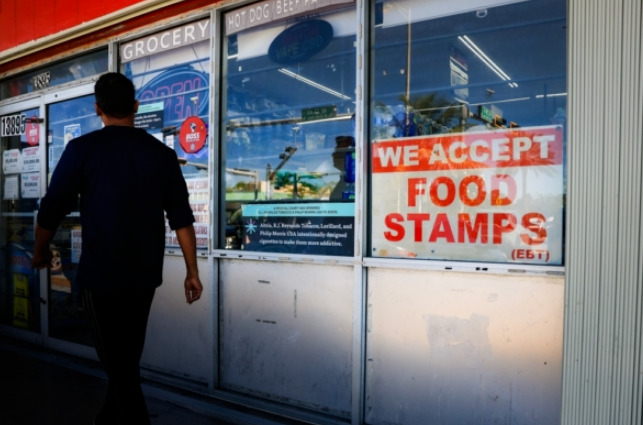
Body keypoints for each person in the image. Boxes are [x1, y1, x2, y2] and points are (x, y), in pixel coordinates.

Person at [32, 72, 203, 425]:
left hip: (101, 281)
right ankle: (108, 419)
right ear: (135, 106)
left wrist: (40, 250)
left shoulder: (82, 149)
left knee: (121, 370)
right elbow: (181, 217)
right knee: (124, 362)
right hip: (143, 280)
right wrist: (192, 271)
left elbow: (51, 209)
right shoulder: (162, 155)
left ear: (98, 109)